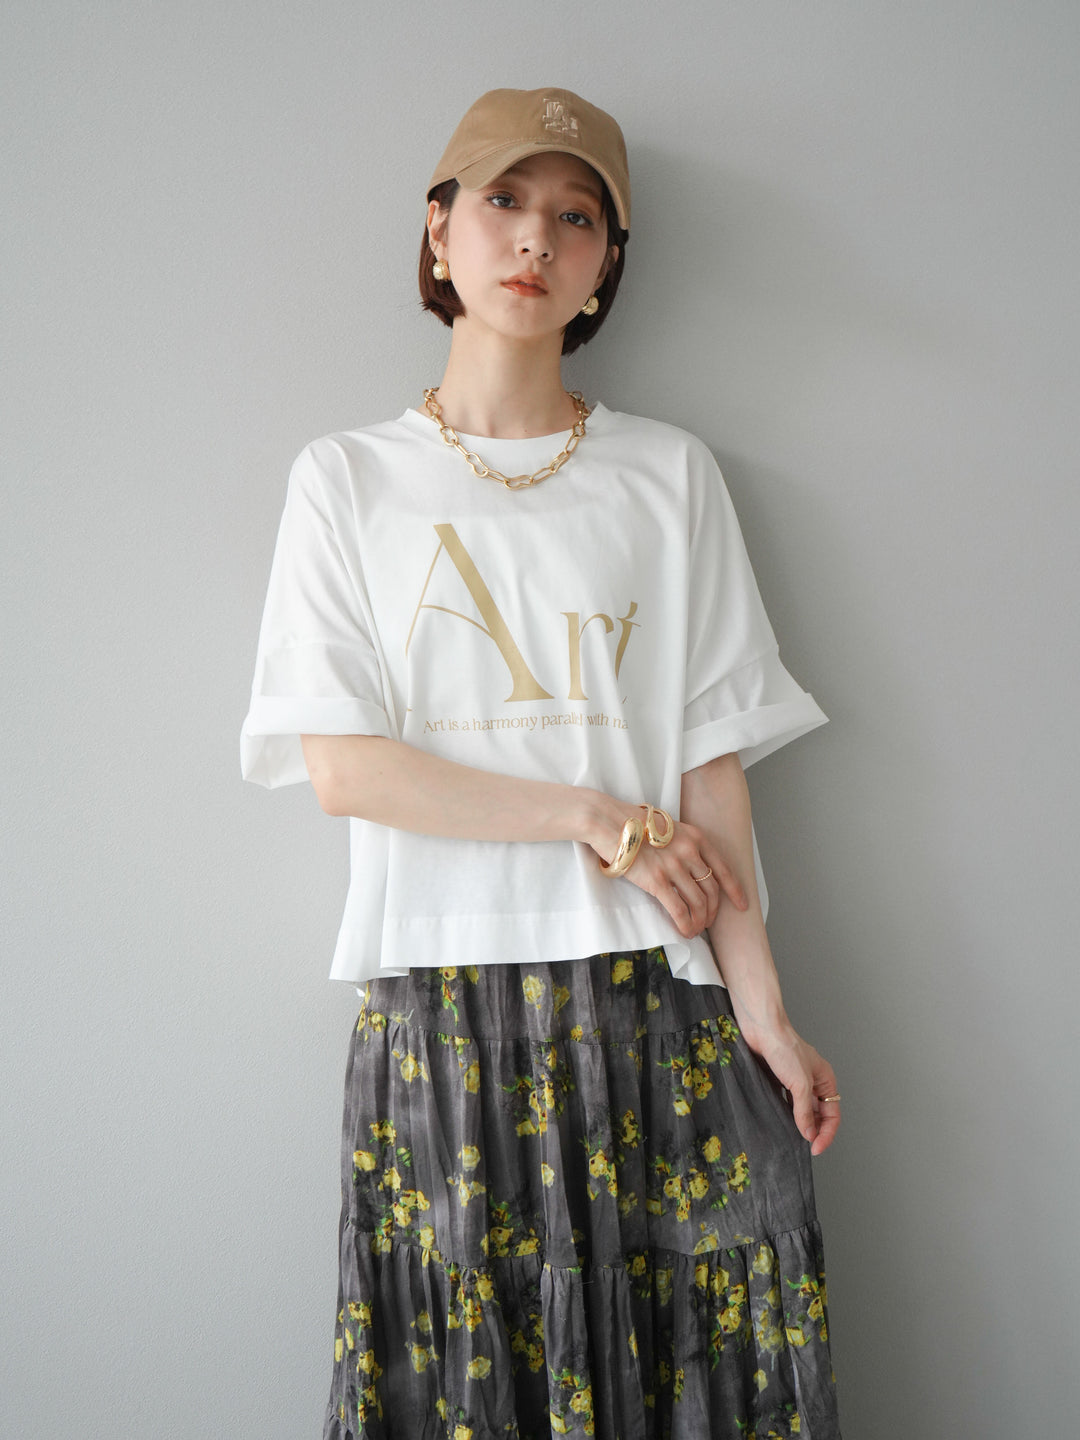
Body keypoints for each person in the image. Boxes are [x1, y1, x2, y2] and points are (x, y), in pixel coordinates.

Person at [242, 86, 842, 1440]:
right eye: (504, 201)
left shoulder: (670, 475)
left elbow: (711, 771)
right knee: (469, 1384)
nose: (535, 240)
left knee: (688, 1372)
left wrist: (765, 1010)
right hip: (444, 1010)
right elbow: (347, 770)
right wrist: (593, 814)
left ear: (605, 265)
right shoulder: (346, 479)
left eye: (578, 218)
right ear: (438, 229)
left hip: (660, 1005)